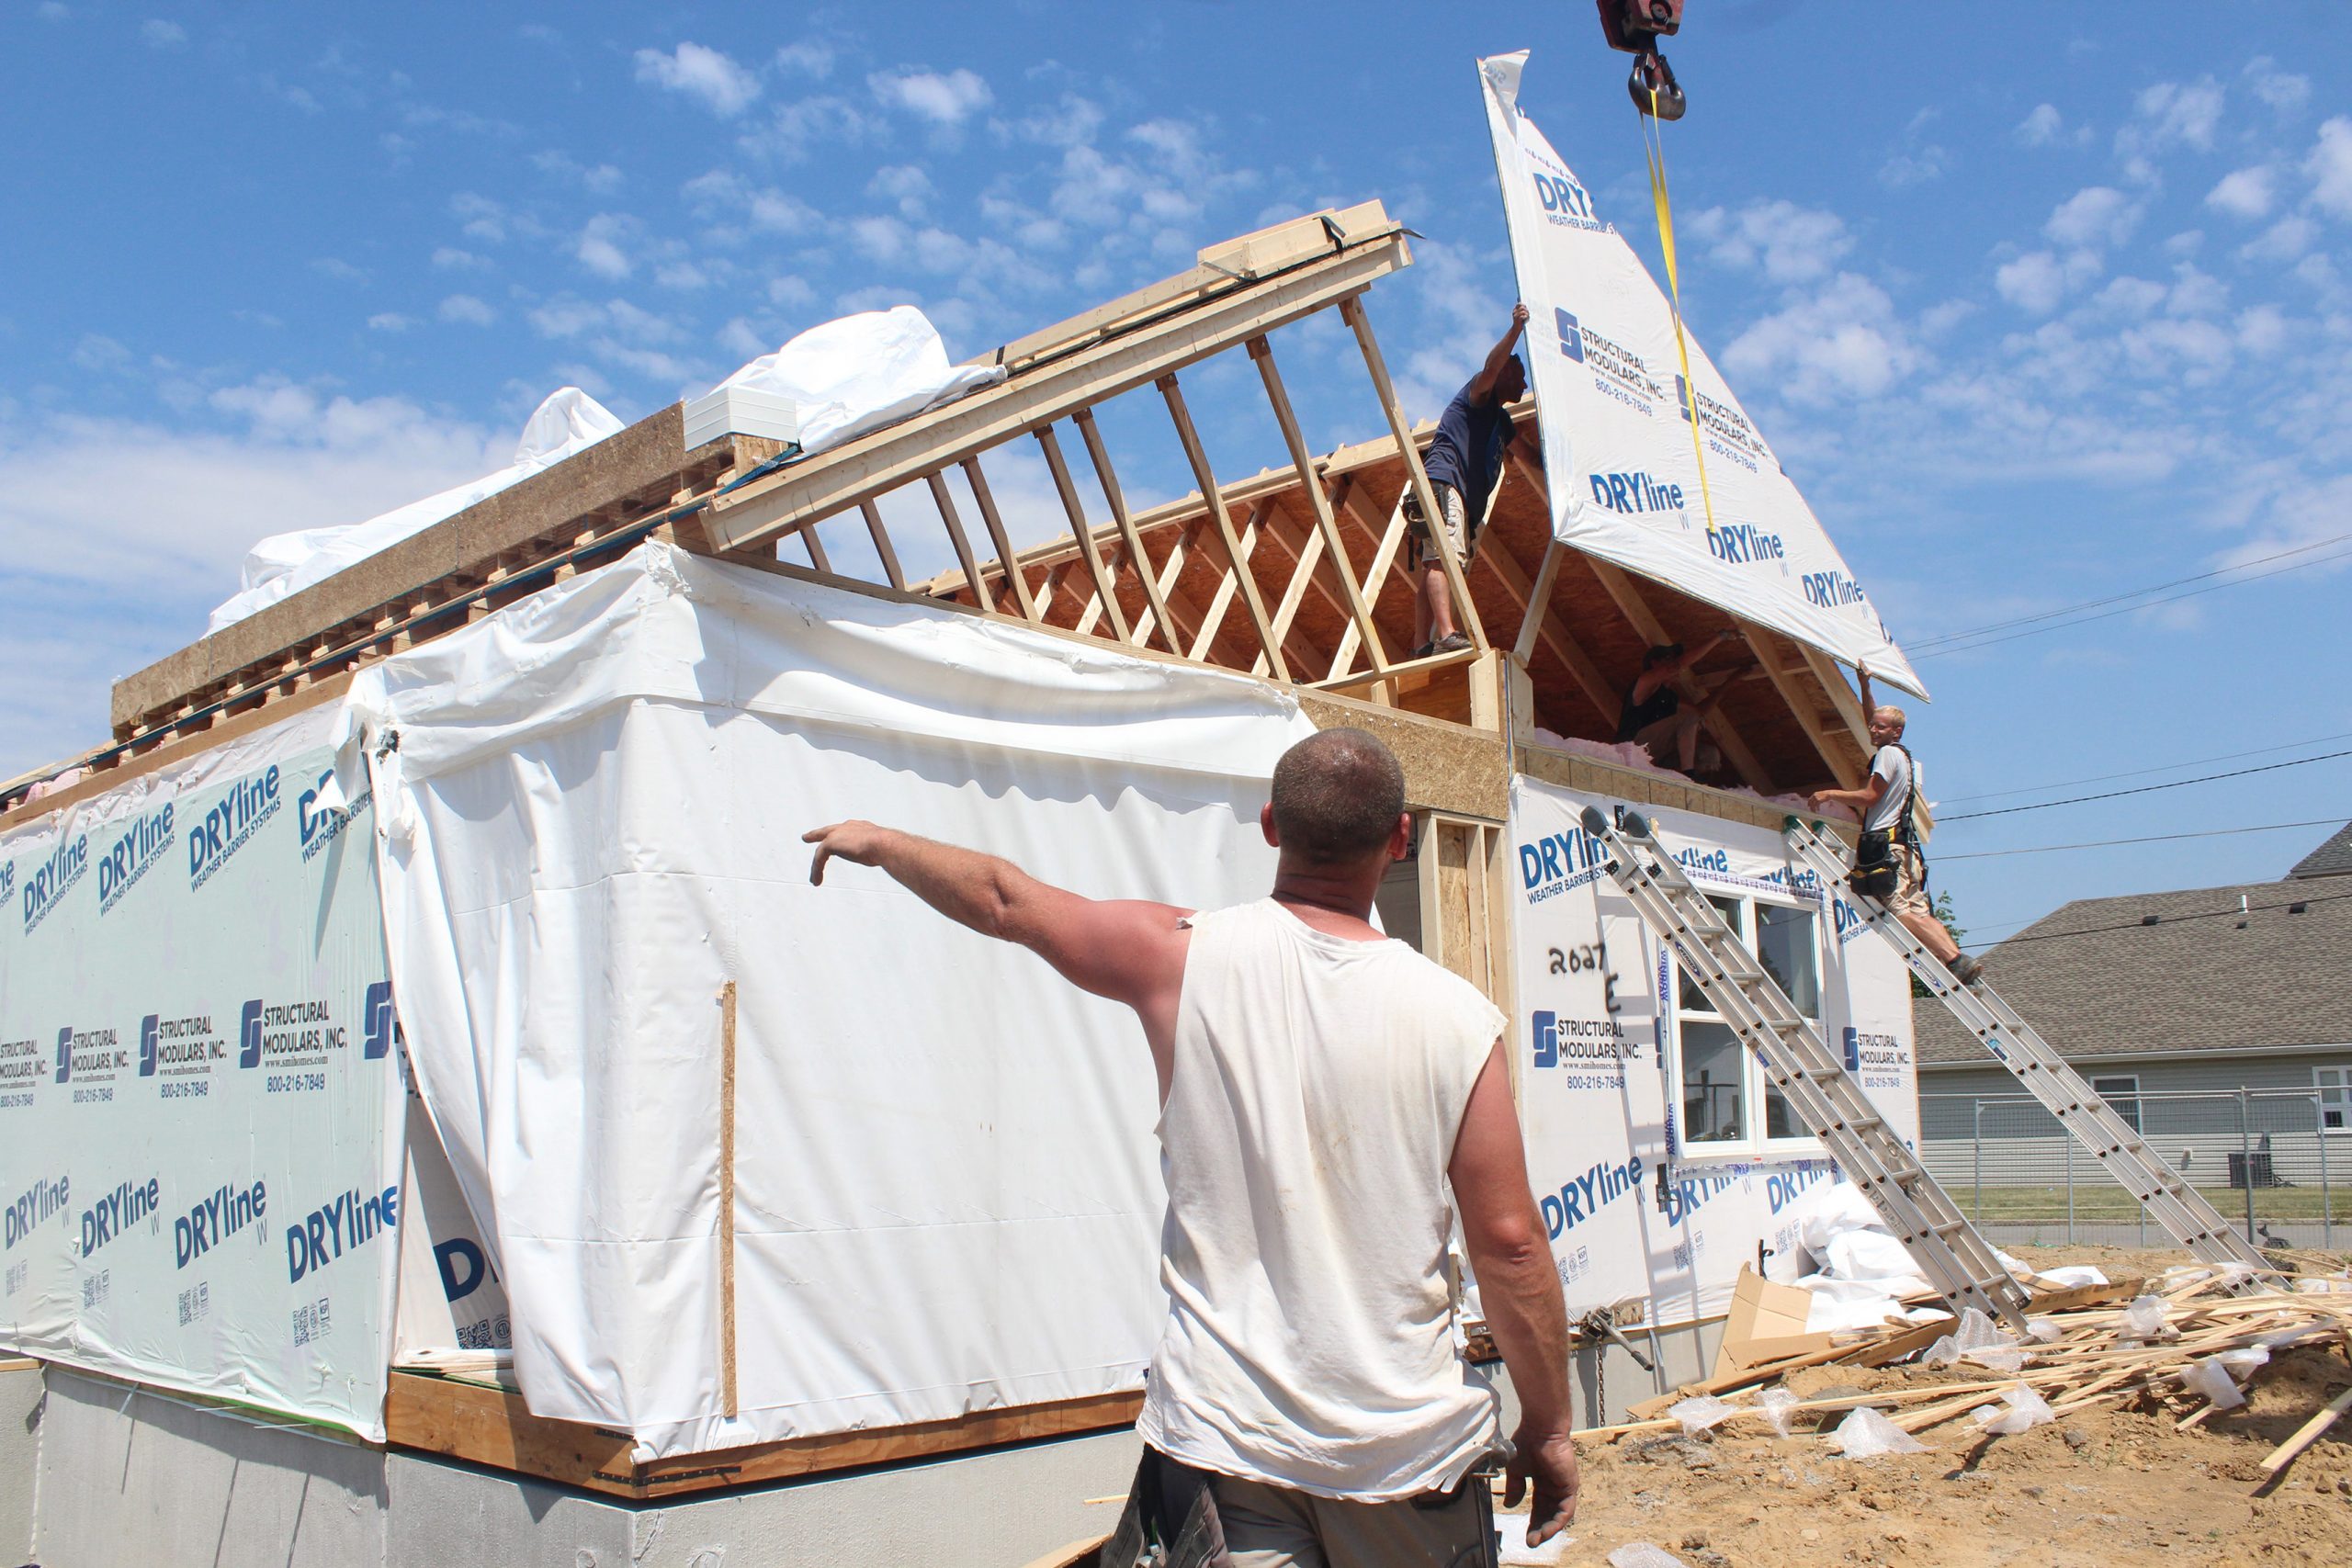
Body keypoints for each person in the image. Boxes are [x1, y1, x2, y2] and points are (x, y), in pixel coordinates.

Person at [804, 728, 1578, 1567]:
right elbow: (1510, 1245)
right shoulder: (1458, 1020)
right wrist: (1549, 1426)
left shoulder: (1182, 959)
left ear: (1271, 824)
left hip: (1229, 1451)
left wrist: (880, 843)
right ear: (1399, 840)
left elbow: (1005, 900)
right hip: (1402, 1462)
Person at [1807, 664, 1984, 986]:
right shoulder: (1900, 754)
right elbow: (1872, 717)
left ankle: (1952, 960)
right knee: (1919, 912)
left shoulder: (1887, 755)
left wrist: (1829, 793)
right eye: (1873, 726)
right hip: (1905, 849)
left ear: (1896, 732)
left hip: (1886, 848)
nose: (1872, 730)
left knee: (1900, 913)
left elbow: (1871, 796)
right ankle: (1958, 959)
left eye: (1880, 727)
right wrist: (1864, 686)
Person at [1405, 303, 1543, 660]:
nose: (1525, 384)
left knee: (1436, 560)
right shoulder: (1478, 396)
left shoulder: (1501, 421)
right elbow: (1491, 367)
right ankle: (1446, 633)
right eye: (1520, 374)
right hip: (1444, 482)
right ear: (1504, 376)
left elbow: (1529, 457)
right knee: (1442, 558)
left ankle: (1421, 642)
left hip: (1459, 499)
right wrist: (1515, 331)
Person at [1616, 628, 1745, 775]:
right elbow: (1677, 666)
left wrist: (1730, 682)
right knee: (1689, 715)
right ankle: (1688, 774)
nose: (1676, 666)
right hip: (1632, 750)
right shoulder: (1644, 683)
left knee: (1708, 754)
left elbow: (1699, 711)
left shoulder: (1668, 697)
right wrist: (1720, 637)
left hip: (1655, 753)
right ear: (1654, 663)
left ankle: (1690, 789)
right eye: (1668, 658)